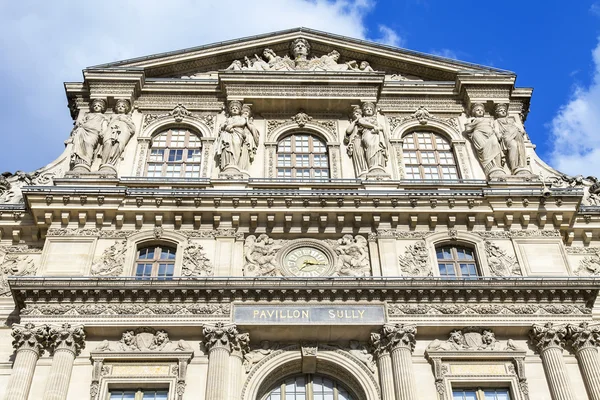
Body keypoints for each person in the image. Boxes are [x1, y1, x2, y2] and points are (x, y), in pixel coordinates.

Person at [463, 103, 505, 178]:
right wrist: (470, 122)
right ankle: (490, 168)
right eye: (477, 110)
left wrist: (498, 134)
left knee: (495, 143)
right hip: (478, 134)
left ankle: (497, 166)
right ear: (473, 112)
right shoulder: (472, 120)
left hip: (490, 134)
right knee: (484, 149)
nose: (480, 111)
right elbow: (467, 129)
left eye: (481, 110)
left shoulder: (489, 120)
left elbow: (495, 128)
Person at [70, 99, 108, 171]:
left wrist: (103, 132)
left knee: (89, 144)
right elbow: (80, 123)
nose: (96, 107)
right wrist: (78, 125)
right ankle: (81, 163)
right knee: (81, 144)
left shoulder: (103, 117)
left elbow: (104, 125)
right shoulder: (88, 115)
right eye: (95, 105)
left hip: (94, 132)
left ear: (102, 108)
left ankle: (86, 161)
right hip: (84, 130)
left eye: (99, 106)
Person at [216, 101, 255, 171]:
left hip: (238, 134)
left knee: (236, 144)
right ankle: (229, 163)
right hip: (228, 135)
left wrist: (232, 125)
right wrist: (224, 126)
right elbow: (222, 126)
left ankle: (235, 163)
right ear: (230, 110)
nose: (234, 109)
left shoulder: (241, 118)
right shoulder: (228, 119)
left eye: (236, 108)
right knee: (228, 147)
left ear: (239, 110)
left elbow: (243, 122)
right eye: (232, 108)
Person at [493, 103, 527, 175]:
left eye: (504, 110)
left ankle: (519, 165)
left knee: (519, 148)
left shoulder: (511, 121)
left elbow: (520, 128)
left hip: (516, 134)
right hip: (507, 136)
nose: (503, 111)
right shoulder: (496, 121)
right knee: (513, 146)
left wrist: (521, 130)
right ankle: (514, 166)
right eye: (500, 110)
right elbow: (496, 130)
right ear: (497, 113)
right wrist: (498, 134)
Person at [100, 100, 135, 168]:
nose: (120, 108)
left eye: (123, 106)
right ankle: (104, 163)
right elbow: (107, 124)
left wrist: (124, 120)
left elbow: (133, 129)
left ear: (126, 109)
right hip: (111, 130)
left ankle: (111, 163)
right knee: (107, 143)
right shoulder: (112, 116)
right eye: (118, 106)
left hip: (123, 131)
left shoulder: (128, 118)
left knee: (118, 145)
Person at [356, 102, 387, 170]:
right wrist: (374, 126)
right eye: (367, 109)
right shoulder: (362, 119)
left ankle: (379, 164)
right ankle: (371, 165)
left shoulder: (376, 120)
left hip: (376, 135)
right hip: (368, 134)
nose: (369, 110)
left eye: (371, 109)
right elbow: (362, 122)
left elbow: (382, 128)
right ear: (364, 111)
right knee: (371, 146)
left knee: (378, 147)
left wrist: (379, 128)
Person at [345, 106, 368, 176]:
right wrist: (355, 121)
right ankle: (362, 171)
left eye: (358, 114)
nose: (356, 115)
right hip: (357, 140)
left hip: (366, 140)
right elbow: (348, 131)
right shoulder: (354, 124)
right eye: (355, 113)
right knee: (360, 155)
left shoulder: (365, 121)